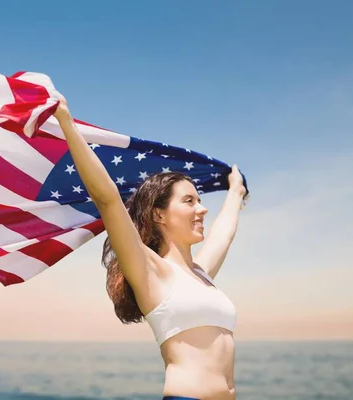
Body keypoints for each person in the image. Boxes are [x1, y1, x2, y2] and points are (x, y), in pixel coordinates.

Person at [53, 95, 247, 400]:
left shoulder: (201, 274)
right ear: (159, 214)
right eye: (189, 201)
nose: (202, 209)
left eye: (200, 200)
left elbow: (225, 233)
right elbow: (107, 199)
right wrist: (67, 124)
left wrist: (235, 191)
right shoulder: (151, 270)